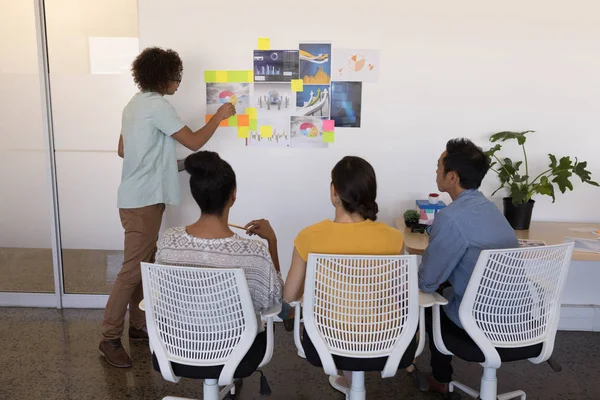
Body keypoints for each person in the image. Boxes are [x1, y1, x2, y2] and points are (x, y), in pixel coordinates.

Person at [99, 47, 236, 368]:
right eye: (176, 77)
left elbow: (124, 151)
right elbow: (194, 141)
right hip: (143, 201)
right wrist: (218, 117)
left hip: (134, 198)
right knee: (132, 270)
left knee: (142, 266)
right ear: (162, 77)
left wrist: (179, 165)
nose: (178, 82)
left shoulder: (134, 105)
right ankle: (108, 338)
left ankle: (137, 328)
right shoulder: (158, 106)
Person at [262, 155, 405, 397]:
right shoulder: (394, 237)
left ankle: (347, 377)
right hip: (387, 338)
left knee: (342, 317)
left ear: (334, 192)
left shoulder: (309, 236)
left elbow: (289, 295)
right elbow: (398, 293)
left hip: (327, 339)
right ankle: (351, 380)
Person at [417, 138, 519, 396]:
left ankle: (440, 379)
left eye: (439, 166)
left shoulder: (450, 218)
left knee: (429, 301)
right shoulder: (492, 209)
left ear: (452, 177)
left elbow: (426, 283)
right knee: (446, 284)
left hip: (481, 323)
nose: (436, 171)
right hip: (520, 320)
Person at [155, 151, 291, 331]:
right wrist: (272, 241)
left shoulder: (169, 240)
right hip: (238, 352)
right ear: (233, 195)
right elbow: (274, 301)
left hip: (176, 348)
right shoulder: (253, 252)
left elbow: (162, 294)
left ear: (195, 194)